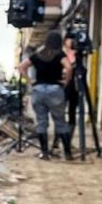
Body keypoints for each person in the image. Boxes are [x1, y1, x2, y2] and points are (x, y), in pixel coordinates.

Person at [17, 31, 73, 160]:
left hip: (38, 90)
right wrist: (66, 81)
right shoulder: (59, 54)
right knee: (60, 122)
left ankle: (44, 153)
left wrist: (30, 80)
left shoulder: (38, 54)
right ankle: (67, 153)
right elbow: (69, 68)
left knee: (41, 122)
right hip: (55, 90)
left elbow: (21, 67)